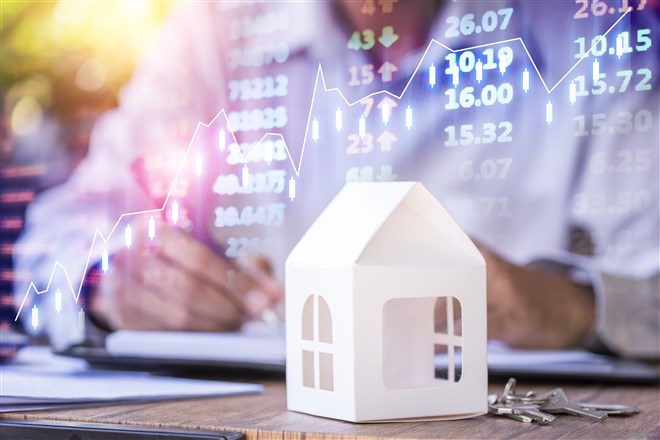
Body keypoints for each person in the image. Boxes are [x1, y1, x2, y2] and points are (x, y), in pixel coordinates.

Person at [15, 1, 659, 357]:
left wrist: (571, 307)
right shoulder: (209, 30)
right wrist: (104, 286)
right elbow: (46, 249)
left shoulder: (603, 31)